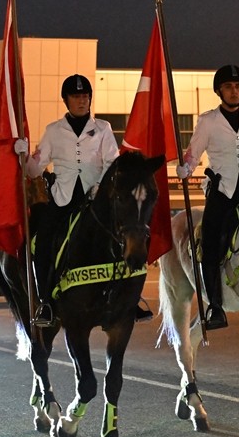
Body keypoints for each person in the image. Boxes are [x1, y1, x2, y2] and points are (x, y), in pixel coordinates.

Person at [19, 74, 151, 327]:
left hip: (97, 199)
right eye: (76, 96)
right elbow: (35, 170)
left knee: (130, 232)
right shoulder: (53, 131)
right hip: (64, 199)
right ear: (66, 100)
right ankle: (46, 302)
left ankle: (131, 298)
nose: (82, 101)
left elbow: (112, 162)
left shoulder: (103, 128)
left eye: (85, 96)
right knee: (44, 241)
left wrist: (100, 186)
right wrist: (24, 155)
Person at [176, 64, 239, 330]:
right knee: (211, 242)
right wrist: (186, 168)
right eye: (228, 87)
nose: (234, 91)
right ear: (219, 91)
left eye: (238, 86)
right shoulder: (208, 121)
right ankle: (215, 306)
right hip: (221, 191)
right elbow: (193, 153)